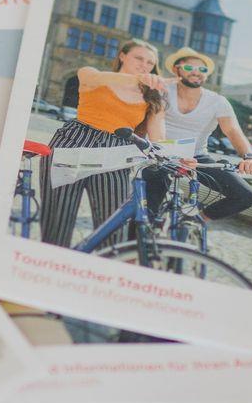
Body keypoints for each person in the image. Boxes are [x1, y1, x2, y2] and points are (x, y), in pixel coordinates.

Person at [40, 39, 167, 248]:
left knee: (113, 232)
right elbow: (94, 77)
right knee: (56, 225)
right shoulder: (92, 74)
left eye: (150, 63)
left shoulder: (153, 96)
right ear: (122, 56)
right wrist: (137, 79)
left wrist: (177, 157)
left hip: (116, 154)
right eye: (139, 58)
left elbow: (159, 138)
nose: (144, 65)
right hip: (74, 143)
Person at [148, 47, 252, 227]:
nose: (196, 72)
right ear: (177, 70)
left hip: (196, 157)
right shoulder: (162, 91)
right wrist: (167, 153)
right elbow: (157, 123)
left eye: (202, 69)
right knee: (146, 213)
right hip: (160, 154)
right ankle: (138, 240)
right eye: (189, 67)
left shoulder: (217, 101)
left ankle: (193, 221)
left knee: (246, 196)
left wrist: (249, 156)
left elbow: (232, 130)